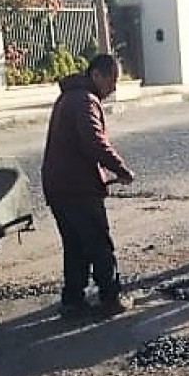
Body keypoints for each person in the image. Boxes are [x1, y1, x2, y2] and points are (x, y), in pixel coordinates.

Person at [41, 53, 135, 318]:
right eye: (111, 80)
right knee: (98, 243)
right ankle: (110, 297)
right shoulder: (84, 100)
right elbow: (94, 142)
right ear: (96, 75)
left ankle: (73, 300)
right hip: (78, 187)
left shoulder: (69, 97)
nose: (114, 87)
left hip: (59, 186)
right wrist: (120, 169)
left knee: (75, 245)